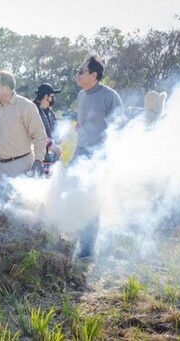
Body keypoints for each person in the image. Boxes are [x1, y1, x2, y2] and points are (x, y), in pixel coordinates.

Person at [71, 55, 124, 259]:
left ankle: (87, 251)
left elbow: (118, 128)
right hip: (80, 152)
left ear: (94, 74)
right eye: (78, 70)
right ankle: (77, 241)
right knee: (74, 196)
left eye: (81, 71)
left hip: (99, 157)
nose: (77, 74)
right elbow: (82, 121)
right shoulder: (81, 95)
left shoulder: (109, 96)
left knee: (91, 201)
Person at [34, 83, 63, 174]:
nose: (53, 98)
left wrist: (59, 138)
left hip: (51, 156)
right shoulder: (34, 111)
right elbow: (34, 133)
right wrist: (51, 145)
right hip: (38, 156)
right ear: (46, 96)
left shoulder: (51, 113)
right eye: (52, 95)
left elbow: (56, 133)